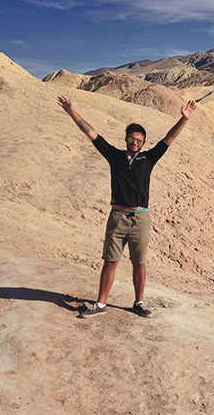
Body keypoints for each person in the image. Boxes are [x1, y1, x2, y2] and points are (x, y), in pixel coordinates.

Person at [57, 94, 196, 318]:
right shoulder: (115, 156)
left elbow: (169, 139)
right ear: (126, 139)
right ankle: (101, 304)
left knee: (138, 262)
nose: (135, 143)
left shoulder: (149, 159)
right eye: (132, 139)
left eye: (139, 140)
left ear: (143, 142)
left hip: (140, 218)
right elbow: (91, 133)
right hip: (118, 218)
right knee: (110, 261)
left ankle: (138, 303)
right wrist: (71, 112)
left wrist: (184, 119)